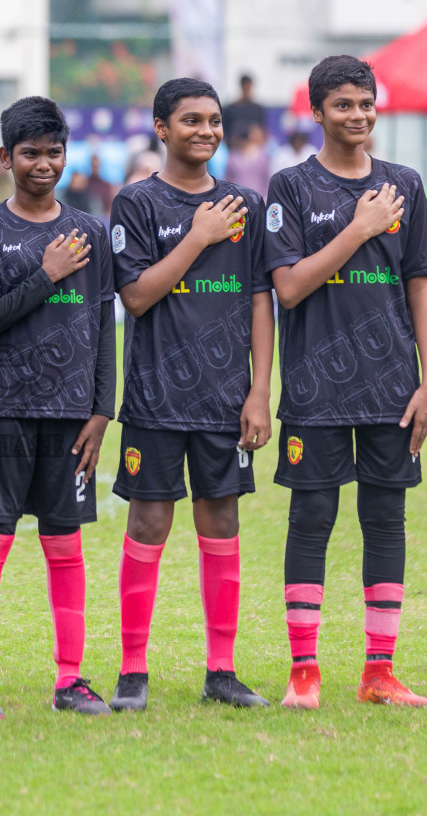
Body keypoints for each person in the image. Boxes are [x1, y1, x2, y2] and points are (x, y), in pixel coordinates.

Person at [265, 55, 427, 709]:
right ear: (316, 112)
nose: (359, 115)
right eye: (344, 104)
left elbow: (420, 284)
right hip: (315, 386)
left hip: (393, 388)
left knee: (385, 519)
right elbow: (288, 287)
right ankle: (304, 672)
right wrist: (358, 228)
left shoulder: (406, 184)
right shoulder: (289, 188)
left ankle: (379, 672)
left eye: (366, 103)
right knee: (311, 517)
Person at [106, 78, 273, 712]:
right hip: (155, 396)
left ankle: (222, 671)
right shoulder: (138, 203)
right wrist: (198, 237)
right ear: (161, 128)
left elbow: (261, 299)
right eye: (190, 120)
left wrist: (259, 391)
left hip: (226, 398)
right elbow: (138, 295)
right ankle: (131, 672)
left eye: (213, 120)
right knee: (149, 520)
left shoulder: (244, 205)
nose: (204, 130)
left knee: (222, 519)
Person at [0, 96, 115, 719]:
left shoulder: (90, 232)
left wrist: (101, 409)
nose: (43, 164)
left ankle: (71, 680)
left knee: (65, 543)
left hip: (72, 415)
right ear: (6, 158)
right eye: (30, 154)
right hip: (5, 411)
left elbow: (105, 325)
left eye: (53, 152)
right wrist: (45, 275)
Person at [224, 122, 272, 199]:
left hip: (260, 198)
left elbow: (267, 179)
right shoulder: (233, 155)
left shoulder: (262, 156)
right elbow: (228, 180)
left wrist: (267, 197)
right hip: (238, 199)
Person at [222, 73, 265, 143]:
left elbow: (262, 131)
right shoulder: (230, 110)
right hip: (235, 147)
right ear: (242, 87)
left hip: (254, 147)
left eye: (249, 87)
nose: (248, 90)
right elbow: (225, 133)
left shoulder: (258, 109)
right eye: (246, 87)